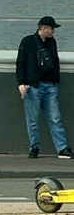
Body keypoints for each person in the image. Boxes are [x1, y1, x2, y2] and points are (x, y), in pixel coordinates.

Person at [16, 16, 73, 158]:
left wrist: (55, 80)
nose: (53, 31)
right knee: (32, 119)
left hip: (50, 85)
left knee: (55, 118)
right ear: (43, 28)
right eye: (52, 28)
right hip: (33, 85)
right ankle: (34, 147)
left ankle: (62, 148)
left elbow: (55, 61)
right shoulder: (28, 41)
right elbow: (21, 62)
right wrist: (21, 82)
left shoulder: (52, 42)